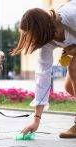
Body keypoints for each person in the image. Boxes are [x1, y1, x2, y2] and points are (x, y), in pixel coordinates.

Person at [10, 0, 76, 138]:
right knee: (70, 87)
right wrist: (36, 120)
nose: (29, 40)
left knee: (73, 68)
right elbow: (42, 77)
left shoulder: (70, 15)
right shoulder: (46, 42)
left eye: (29, 35)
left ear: (40, 29)